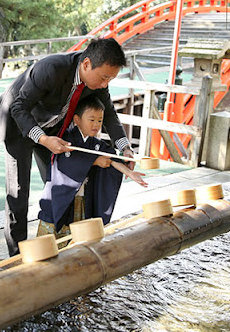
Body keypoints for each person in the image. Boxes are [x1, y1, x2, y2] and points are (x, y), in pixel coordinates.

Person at [0, 37, 135, 256]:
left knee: (57, 185)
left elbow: (110, 116)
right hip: (17, 124)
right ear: (87, 64)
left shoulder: (96, 83)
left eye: (110, 79)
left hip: (52, 131)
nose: (105, 84)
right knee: (18, 192)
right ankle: (16, 256)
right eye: (104, 77)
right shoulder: (51, 68)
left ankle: (55, 242)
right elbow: (19, 107)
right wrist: (41, 139)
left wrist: (124, 148)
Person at [37, 97, 148, 240]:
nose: (96, 124)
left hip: (81, 199)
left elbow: (111, 158)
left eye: (100, 120)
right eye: (92, 120)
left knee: (76, 238)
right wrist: (95, 161)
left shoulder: (95, 144)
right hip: (59, 198)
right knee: (48, 242)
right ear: (77, 120)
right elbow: (68, 161)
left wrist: (130, 173)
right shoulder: (65, 139)